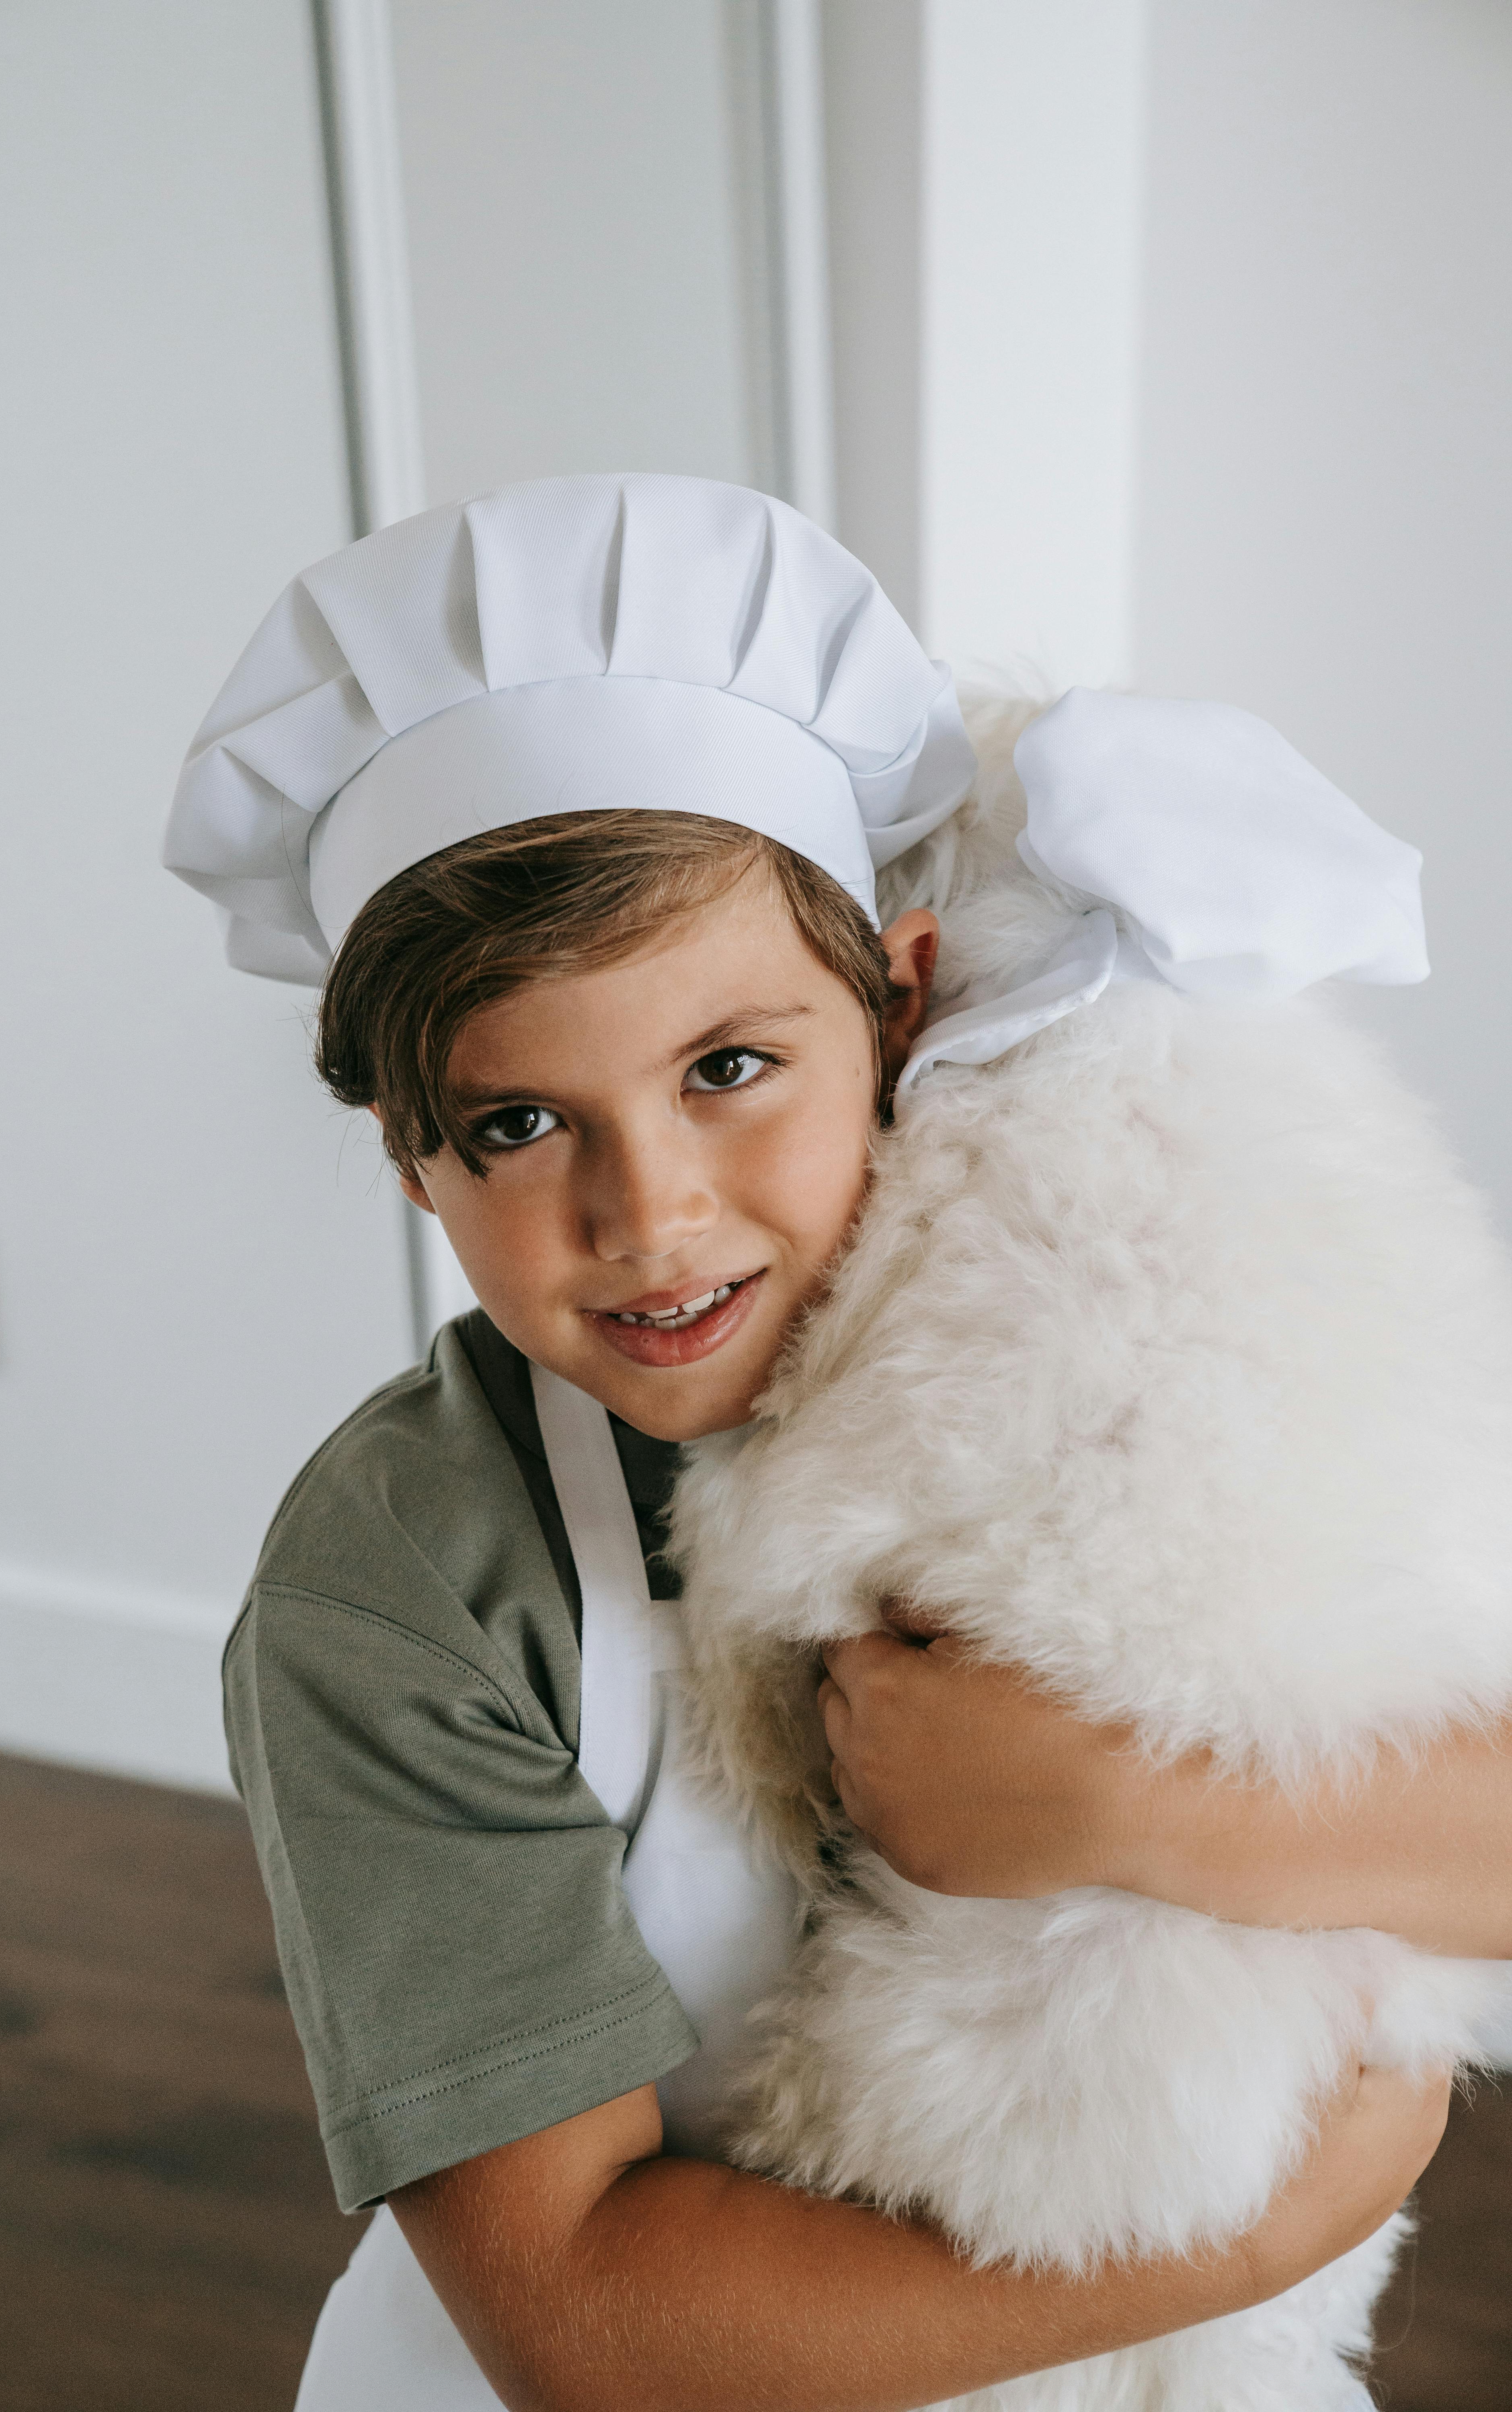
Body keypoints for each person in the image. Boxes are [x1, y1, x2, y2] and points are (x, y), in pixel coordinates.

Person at [164, 475, 1478, 2412]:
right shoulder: (407, 1582)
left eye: (728, 1068)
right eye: (518, 1124)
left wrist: (1135, 1807)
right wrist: (1259, 2235)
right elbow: (583, 2323)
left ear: (899, 1002)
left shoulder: (1125, 1341)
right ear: (410, 1155)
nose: (651, 1217)